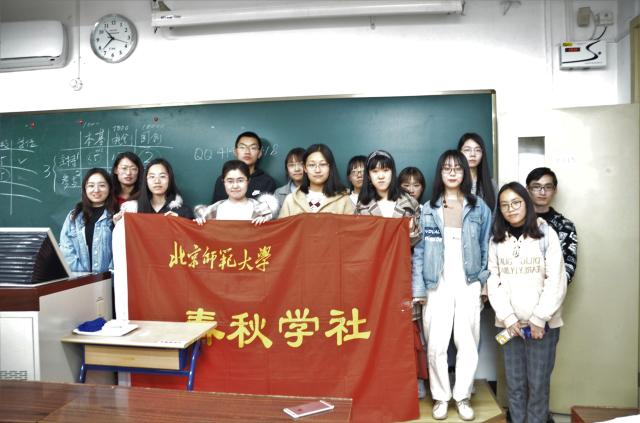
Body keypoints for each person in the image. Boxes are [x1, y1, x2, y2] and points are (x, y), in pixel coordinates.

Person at [412, 150, 492, 421]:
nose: (453, 173)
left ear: (465, 172)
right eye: (447, 168)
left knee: (467, 342)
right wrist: (419, 288)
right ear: (440, 173)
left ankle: (463, 396)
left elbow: (486, 247)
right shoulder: (428, 209)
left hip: (469, 280)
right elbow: (420, 252)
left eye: (458, 168)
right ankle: (441, 397)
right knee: (436, 343)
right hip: (436, 282)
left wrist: (483, 283)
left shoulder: (479, 207)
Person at [487, 182, 567, 423]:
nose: (510, 209)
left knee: (538, 384)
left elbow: (556, 280)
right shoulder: (496, 240)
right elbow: (493, 280)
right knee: (515, 384)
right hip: (509, 326)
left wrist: (539, 318)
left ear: (527, 203)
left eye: (516, 203)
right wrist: (509, 319)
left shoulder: (546, 234)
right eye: (504, 205)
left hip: (542, 325)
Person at [355, 150, 421, 245]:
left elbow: (417, 243)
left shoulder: (409, 202)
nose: (381, 176)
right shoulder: (362, 206)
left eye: (385, 170)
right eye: (375, 171)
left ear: (392, 172)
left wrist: (411, 231)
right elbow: (358, 241)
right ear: (369, 176)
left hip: (401, 254)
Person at [526, 167, 578, 284]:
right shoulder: (517, 221)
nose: (542, 192)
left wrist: (551, 290)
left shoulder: (565, 226)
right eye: (536, 186)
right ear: (527, 189)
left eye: (548, 187)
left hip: (553, 291)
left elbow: (569, 266)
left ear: (555, 190)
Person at [59, 168, 117, 272]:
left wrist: (107, 277)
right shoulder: (74, 216)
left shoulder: (117, 215)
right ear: (85, 189)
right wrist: (84, 277)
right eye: (91, 185)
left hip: (110, 279)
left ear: (109, 188)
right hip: (79, 278)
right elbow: (66, 250)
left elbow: (121, 251)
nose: (96, 190)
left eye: (102, 185)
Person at [278, 144, 354, 217]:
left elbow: (352, 225)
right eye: (312, 165)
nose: (317, 170)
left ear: (330, 167)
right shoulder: (291, 199)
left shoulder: (343, 199)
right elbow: (283, 225)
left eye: (323, 164)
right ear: (305, 168)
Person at [195, 160, 277, 226]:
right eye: (230, 181)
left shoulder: (261, 210)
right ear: (224, 182)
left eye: (240, 180)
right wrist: (198, 224)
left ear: (248, 181)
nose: (235, 186)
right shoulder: (213, 210)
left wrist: (265, 225)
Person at [114, 158, 194, 221]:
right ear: (146, 180)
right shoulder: (133, 209)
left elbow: (189, 235)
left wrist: (180, 222)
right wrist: (118, 225)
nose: (157, 181)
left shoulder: (183, 211)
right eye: (152, 177)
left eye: (162, 176)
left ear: (170, 179)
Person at [210, 131, 276, 203]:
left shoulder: (267, 182)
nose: (247, 152)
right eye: (242, 147)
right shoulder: (223, 180)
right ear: (235, 152)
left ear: (259, 154)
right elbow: (216, 207)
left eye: (253, 148)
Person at [457, 133, 497, 208]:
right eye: (467, 150)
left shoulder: (491, 184)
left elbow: (495, 211)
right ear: (459, 152)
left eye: (477, 150)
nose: (473, 154)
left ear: (482, 154)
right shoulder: (453, 181)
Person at [274, 147, 305, 216]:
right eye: (291, 165)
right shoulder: (279, 193)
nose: (297, 169)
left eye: (301, 164)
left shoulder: (317, 191)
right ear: (287, 169)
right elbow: (275, 219)